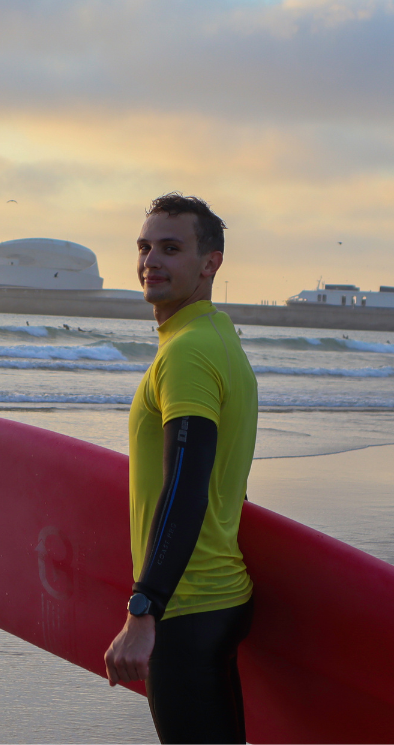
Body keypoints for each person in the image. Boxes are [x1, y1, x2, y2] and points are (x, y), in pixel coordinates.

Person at [104, 193, 258, 743]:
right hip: (218, 594)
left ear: (210, 262)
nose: (151, 261)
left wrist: (144, 608)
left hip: (188, 603)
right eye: (145, 247)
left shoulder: (188, 353)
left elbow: (186, 488)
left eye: (171, 248)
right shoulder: (217, 337)